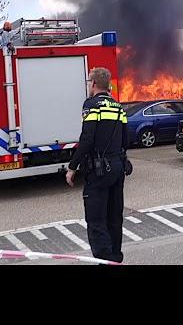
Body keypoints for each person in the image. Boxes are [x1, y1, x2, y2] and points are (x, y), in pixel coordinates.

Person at [66, 67, 132, 263]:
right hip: (117, 167)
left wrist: (72, 167)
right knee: (114, 216)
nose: (88, 85)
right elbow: (125, 139)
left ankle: (104, 259)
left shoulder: (92, 106)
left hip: (98, 170)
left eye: (89, 82)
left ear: (94, 84)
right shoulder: (119, 107)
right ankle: (115, 257)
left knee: (96, 219)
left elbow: (87, 139)